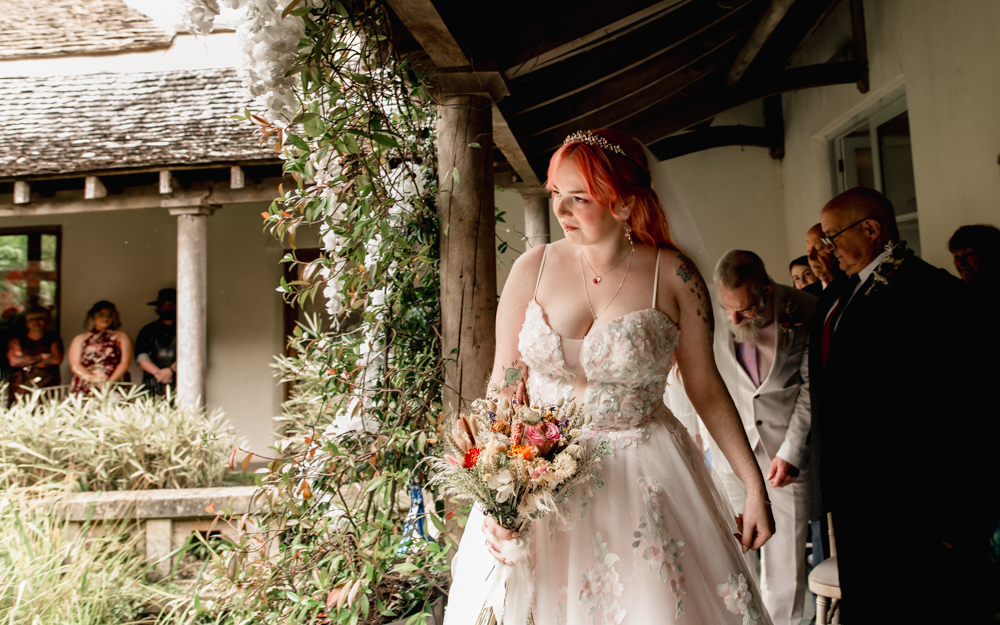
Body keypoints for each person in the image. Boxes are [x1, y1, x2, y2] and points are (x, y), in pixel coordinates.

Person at [445, 129, 775, 625]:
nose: (561, 211)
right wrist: (496, 495)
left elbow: (705, 390)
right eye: (557, 194)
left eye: (580, 198)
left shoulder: (677, 278)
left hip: (645, 479)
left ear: (623, 205)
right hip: (539, 483)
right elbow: (502, 387)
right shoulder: (531, 269)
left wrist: (754, 487)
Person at [809, 187, 993, 623]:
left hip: (918, 503)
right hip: (858, 496)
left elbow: (968, 408)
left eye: (834, 237)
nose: (829, 250)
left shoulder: (936, 294)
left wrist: (958, 516)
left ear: (871, 229)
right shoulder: (839, 296)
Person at [712, 251, 815, 625]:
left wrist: (792, 451)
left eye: (745, 310)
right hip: (730, 453)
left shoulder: (806, 309)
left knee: (786, 558)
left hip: (784, 455)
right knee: (733, 554)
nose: (735, 319)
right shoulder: (708, 310)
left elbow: (810, 390)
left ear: (766, 291)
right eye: (729, 310)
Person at [68, 301, 133, 395]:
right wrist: (94, 381)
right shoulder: (80, 338)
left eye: (109, 315)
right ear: (93, 317)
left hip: (114, 383)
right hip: (87, 383)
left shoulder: (122, 337)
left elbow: (125, 363)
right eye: (101, 315)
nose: (105, 318)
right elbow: (75, 365)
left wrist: (108, 384)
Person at [6, 306, 63, 399]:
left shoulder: (53, 339)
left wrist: (25, 361)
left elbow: (56, 359)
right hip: (21, 383)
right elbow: (14, 361)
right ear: (26, 322)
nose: (36, 322)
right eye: (31, 319)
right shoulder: (17, 340)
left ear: (46, 321)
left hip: (47, 382)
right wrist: (42, 356)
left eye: (40, 318)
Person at [135, 288, 177, 396]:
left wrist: (171, 371)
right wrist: (158, 373)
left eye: (171, 304)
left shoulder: (188, 329)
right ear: (158, 308)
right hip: (153, 381)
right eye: (164, 305)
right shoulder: (148, 330)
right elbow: (141, 356)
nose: (168, 308)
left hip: (181, 379)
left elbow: (191, 355)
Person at [804, 223, 839, 289]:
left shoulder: (853, 285)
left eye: (819, 248)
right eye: (808, 251)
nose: (810, 257)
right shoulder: (805, 295)